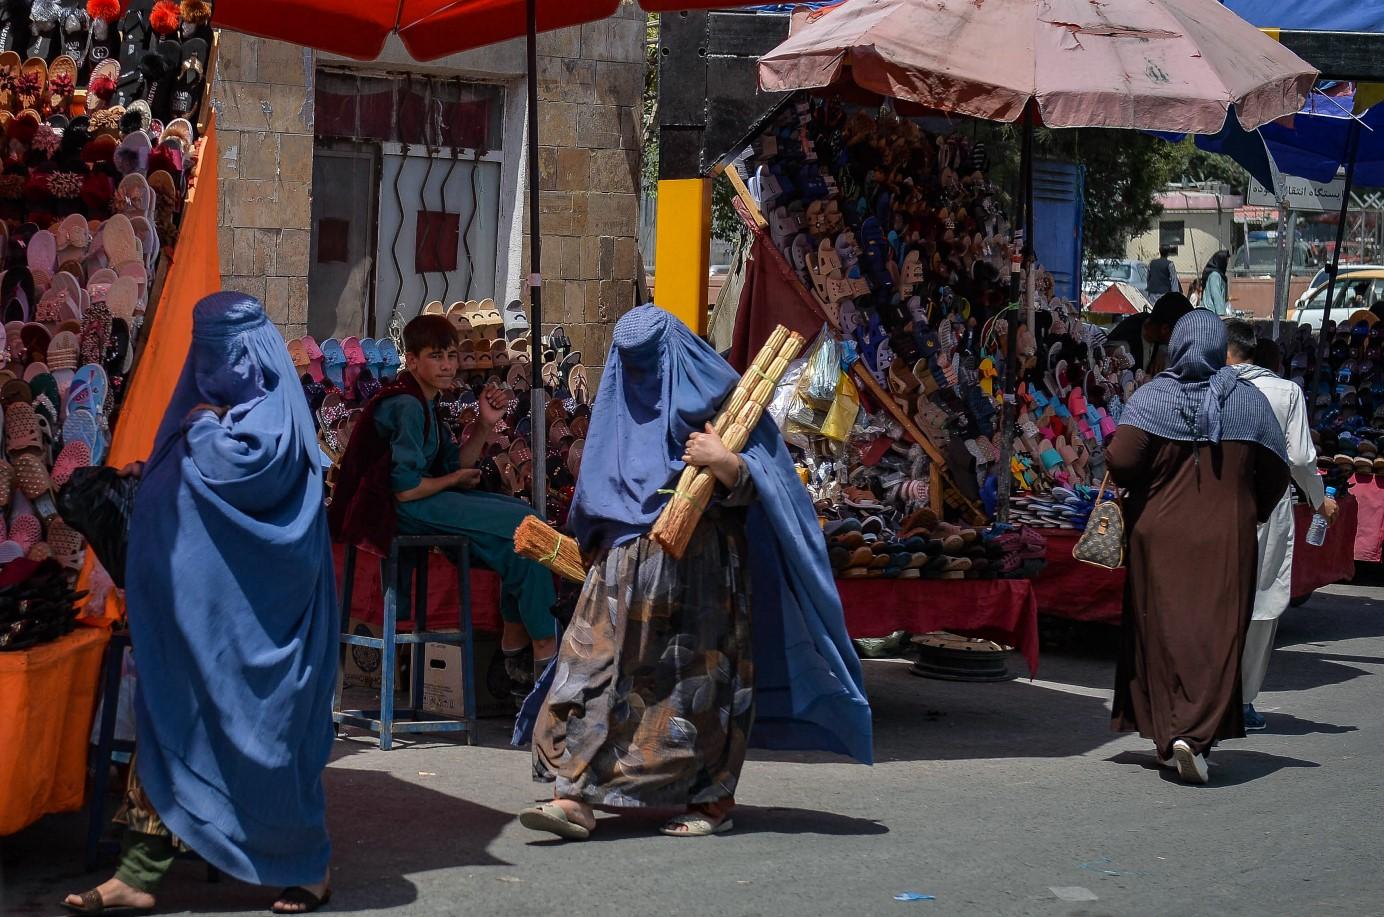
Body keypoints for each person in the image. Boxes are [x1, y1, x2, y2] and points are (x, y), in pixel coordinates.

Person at [515, 304, 872, 840]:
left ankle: (710, 801)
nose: (642, 379)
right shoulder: (618, 408)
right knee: (589, 675)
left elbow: (773, 485)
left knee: (693, 693)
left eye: (650, 363)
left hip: (702, 578)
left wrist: (724, 461)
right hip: (618, 576)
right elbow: (595, 492)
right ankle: (574, 795)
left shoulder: (724, 400)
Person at [65, 293, 336, 914]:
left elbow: (249, 473)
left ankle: (308, 867)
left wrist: (204, 429)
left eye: (222, 351)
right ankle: (137, 873)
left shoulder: (270, 419)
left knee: (270, 745)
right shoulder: (200, 413)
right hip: (192, 622)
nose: (211, 364)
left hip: (264, 625)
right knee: (168, 729)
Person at [1107, 310, 1290, 785]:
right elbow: (1276, 473)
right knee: (1215, 633)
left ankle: (1171, 736)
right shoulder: (1248, 402)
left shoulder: (1153, 396)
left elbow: (1122, 461)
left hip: (1158, 536)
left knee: (1160, 633)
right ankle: (1193, 737)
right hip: (1226, 538)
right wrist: (1249, 510)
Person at [330, 315, 556, 687]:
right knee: (522, 527)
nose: (448, 365)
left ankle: (517, 646)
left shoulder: (426, 402)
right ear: (412, 360)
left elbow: (457, 463)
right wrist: (453, 479)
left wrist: (484, 424)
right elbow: (407, 488)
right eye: (437, 356)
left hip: (419, 502)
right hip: (396, 510)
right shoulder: (405, 404)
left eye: (451, 355)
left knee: (525, 525)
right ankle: (541, 648)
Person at [1224, 322, 1336, 730]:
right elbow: (1303, 459)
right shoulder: (1286, 392)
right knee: (1261, 603)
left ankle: (1209, 694)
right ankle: (1244, 700)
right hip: (1267, 508)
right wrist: (1319, 499)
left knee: (1215, 598)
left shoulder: (1208, 386)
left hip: (1213, 505)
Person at [1106, 292, 1194, 374]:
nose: (1182, 340)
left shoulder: (1155, 330)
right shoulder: (1125, 345)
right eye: (1180, 334)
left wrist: (1163, 349)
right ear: (1165, 329)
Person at [1200, 250, 1230, 316]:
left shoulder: (1219, 275)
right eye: (1226, 261)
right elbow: (1216, 295)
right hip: (1211, 313)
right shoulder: (1215, 276)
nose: (1227, 263)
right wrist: (1221, 314)